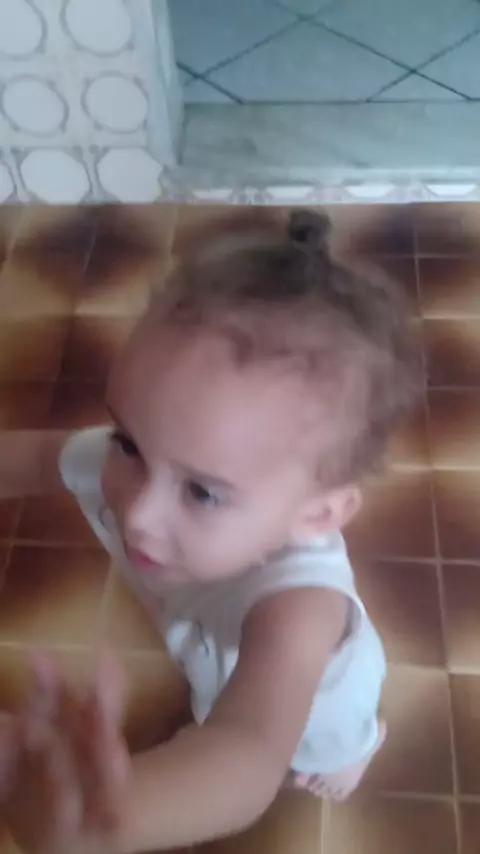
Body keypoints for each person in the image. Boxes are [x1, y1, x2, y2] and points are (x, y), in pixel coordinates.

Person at [0, 209, 420, 854]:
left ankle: (361, 750)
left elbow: (245, 752)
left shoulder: (300, 608)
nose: (136, 512)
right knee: (217, 682)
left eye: (202, 491)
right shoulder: (140, 469)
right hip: (212, 647)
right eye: (128, 442)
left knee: (322, 746)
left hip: (315, 705)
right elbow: (32, 458)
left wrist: (110, 818)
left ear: (317, 516)